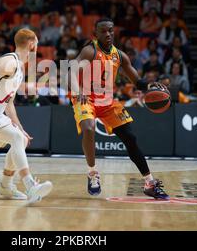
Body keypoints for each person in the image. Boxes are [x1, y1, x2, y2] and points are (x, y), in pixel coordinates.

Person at [69, 18, 169, 199]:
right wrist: (77, 90)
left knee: (130, 137)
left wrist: (150, 86)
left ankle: (149, 183)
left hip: (107, 101)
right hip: (85, 97)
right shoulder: (89, 51)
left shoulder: (120, 56)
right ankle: (93, 174)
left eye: (110, 30)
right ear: (96, 34)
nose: (107, 34)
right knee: (89, 128)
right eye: (103, 31)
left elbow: (137, 81)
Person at [0, 28, 53, 203]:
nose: (37, 48)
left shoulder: (20, 69)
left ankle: (5, 187)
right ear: (31, 44)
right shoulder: (10, 61)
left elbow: (9, 102)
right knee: (15, 138)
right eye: (36, 44)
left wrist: (21, 128)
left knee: (20, 138)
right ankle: (30, 186)